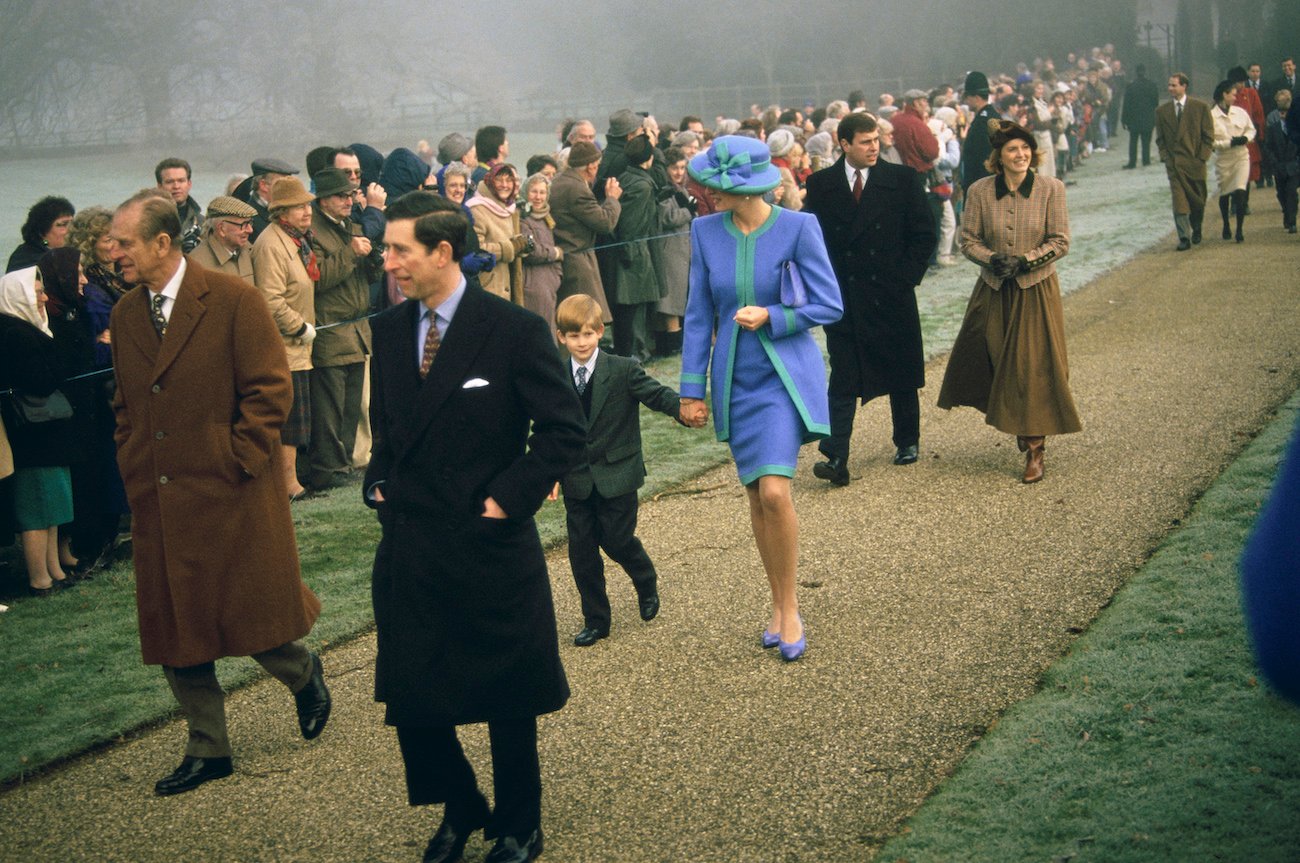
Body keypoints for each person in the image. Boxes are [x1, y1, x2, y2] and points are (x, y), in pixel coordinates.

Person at [365, 191, 584, 863]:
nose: (388, 260)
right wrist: (378, 478)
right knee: (413, 691)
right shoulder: (391, 329)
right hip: (412, 541)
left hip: (487, 541)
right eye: (387, 248)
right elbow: (394, 427)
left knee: (505, 693)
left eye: (399, 248)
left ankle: (520, 823)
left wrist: (507, 498)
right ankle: (460, 806)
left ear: (441, 251)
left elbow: (563, 430)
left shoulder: (512, 329)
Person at [107, 190, 329, 795]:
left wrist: (239, 459)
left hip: (230, 489)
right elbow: (126, 403)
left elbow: (269, 389)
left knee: (244, 612)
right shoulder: (125, 314)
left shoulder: (234, 299)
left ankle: (303, 672)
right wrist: (133, 458)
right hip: (159, 494)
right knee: (178, 626)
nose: (113, 252)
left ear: (161, 242)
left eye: (124, 242)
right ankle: (209, 749)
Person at [680, 135, 843, 662]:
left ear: (746, 188)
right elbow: (698, 314)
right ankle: (775, 603)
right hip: (733, 381)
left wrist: (773, 315)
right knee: (755, 497)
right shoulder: (704, 232)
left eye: (717, 187)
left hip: (783, 378)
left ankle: (791, 607)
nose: (707, 194)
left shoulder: (799, 227)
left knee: (775, 493)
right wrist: (690, 390)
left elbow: (829, 304)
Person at [937, 119, 1082, 483]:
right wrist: (991, 258)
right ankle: (1019, 419)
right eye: (1013, 150)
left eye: (1025, 148)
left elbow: (1060, 241)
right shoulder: (981, 191)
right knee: (998, 359)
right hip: (994, 289)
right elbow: (968, 239)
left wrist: (1026, 260)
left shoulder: (1051, 188)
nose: (1021, 155)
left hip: (1036, 288)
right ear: (998, 157)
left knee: (1034, 365)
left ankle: (1036, 446)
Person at [803, 111, 936, 484]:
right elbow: (813, 242)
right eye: (865, 142)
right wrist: (823, 286)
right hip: (844, 297)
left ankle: (907, 439)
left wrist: (906, 277)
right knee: (844, 374)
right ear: (844, 145)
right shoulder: (821, 185)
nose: (874, 147)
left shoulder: (903, 179)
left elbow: (924, 234)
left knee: (902, 369)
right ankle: (835, 455)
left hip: (891, 293)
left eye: (876, 140)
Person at [554, 294, 690, 647]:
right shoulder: (555, 375)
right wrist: (549, 472)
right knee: (582, 553)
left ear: (600, 331)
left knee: (616, 540)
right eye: (573, 336)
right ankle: (596, 620)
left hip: (618, 474)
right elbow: (550, 426)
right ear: (561, 337)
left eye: (587, 334)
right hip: (577, 479)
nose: (581, 343)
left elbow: (656, 395)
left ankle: (645, 579)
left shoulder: (622, 369)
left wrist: (683, 409)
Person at [0, 266, 75, 595]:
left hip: (44, 429)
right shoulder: (15, 333)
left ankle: (53, 570)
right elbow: (43, 379)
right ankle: (40, 577)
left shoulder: (27, 328)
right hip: (32, 432)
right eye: (37, 292)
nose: (44, 297)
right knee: (37, 506)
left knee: (53, 503)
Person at [308, 167, 382, 491]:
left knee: (352, 405)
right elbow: (319, 277)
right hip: (331, 328)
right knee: (330, 408)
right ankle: (328, 469)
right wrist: (351, 253)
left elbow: (364, 278)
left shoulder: (348, 226)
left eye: (351, 194)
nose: (349, 200)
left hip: (356, 327)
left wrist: (373, 262)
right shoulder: (313, 232)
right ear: (323, 199)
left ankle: (346, 464)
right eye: (342, 195)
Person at [250, 177, 319, 499]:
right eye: (298, 207)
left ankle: (290, 483)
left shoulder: (296, 240)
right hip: (284, 346)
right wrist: (299, 326)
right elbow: (270, 299)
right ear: (281, 212)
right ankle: (287, 485)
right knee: (288, 421)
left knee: (296, 420)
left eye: (307, 205)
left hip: (297, 348)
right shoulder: (271, 244)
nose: (307, 211)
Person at [552, 141, 622, 326]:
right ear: (591, 167)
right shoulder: (577, 189)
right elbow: (605, 223)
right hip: (577, 262)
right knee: (581, 320)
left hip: (567, 257)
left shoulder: (559, 181)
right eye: (597, 165)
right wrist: (612, 199)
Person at [610, 135, 662, 362]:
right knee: (631, 310)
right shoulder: (642, 186)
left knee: (631, 310)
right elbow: (629, 227)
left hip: (632, 251)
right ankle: (632, 355)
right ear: (649, 158)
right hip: (634, 254)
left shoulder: (627, 177)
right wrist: (631, 254)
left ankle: (632, 353)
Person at [1155, 73, 1216, 251]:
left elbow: (1208, 136)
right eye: (1169, 85)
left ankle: (1197, 228)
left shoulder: (1200, 108)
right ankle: (1184, 237)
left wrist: (1202, 158)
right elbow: (1160, 140)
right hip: (1174, 166)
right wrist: (1166, 158)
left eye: (1174, 85)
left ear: (1184, 86)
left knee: (1198, 201)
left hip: (1195, 164)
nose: (1170, 88)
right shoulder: (1161, 111)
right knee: (1179, 202)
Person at [466, 163, 526, 303]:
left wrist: (523, 246)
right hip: (488, 287)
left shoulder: (509, 208)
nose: (504, 185)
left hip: (509, 287)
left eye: (509, 180)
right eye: (499, 180)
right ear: (490, 181)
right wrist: (509, 248)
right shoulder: (477, 208)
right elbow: (476, 248)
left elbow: (512, 243)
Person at [1210, 80, 1256, 243]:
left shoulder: (1240, 112)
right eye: (1233, 94)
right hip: (1224, 159)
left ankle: (1240, 229)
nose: (1236, 97)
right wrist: (1229, 143)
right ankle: (1226, 224)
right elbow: (1211, 142)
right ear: (1225, 94)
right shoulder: (1212, 116)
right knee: (1225, 193)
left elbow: (1251, 129)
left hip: (1241, 156)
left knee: (1241, 190)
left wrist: (1245, 138)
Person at [519, 172, 564, 332]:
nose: (538, 197)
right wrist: (555, 253)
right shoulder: (523, 218)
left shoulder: (546, 217)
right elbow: (530, 251)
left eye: (542, 192)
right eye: (534, 191)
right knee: (540, 330)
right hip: (534, 285)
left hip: (548, 283)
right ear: (525, 192)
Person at [187, 195, 257, 283]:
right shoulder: (197, 265)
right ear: (221, 228)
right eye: (244, 225)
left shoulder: (249, 251)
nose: (250, 230)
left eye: (250, 223)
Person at [8, 196, 75, 273]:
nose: (72, 229)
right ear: (42, 232)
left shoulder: (62, 253)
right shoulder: (27, 261)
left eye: (72, 223)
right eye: (63, 224)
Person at [1264, 88, 1298, 233]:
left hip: (1295, 165)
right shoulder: (1273, 126)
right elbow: (1268, 146)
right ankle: (1287, 212)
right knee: (1281, 193)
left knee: (1291, 192)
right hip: (1279, 165)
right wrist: (1273, 162)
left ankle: (1292, 221)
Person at [154, 157, 203, 253]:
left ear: (189, 184)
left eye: (181, 181)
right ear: (159, 186)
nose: (176, 186)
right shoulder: (148, 221)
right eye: (170, 182)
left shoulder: (202, 223)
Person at [1121, 64, 1160, 169]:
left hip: (1134, 118)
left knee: (1133, 141)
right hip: (1148, 117)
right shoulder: (1152, 85)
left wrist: (1124, 120)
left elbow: (1126, 104)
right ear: (1145, 71)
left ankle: (1132, 162)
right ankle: (1146, 160)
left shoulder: (1131, 86)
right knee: (1146, 141)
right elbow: (1156, 103)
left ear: (1136, 72)